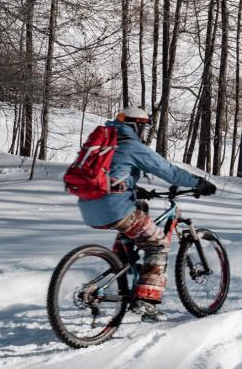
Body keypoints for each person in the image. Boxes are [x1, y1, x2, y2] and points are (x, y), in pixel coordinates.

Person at [75, 107, 217, 322]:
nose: (144, 132)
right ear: (135, 126)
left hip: (89, 206)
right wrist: (200, 183)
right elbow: (170, 172)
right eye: (143, 127)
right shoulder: (132, 146)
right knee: (158, 244)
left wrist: (132, 187)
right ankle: (146, 301)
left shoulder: (106, 143)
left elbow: (110, 172)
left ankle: (123, 263)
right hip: (114, 207)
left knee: (140, 209)